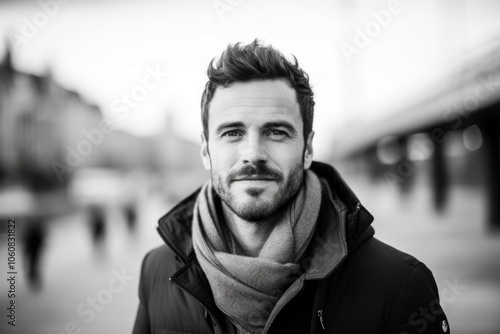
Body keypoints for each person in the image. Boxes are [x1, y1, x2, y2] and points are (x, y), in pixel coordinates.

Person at [132, 40, 450, 334]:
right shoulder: (157, 272)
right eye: (232, 133)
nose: (253, 154)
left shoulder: (398, 284)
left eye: (276, 132)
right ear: (206, 150)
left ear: (308, 149)